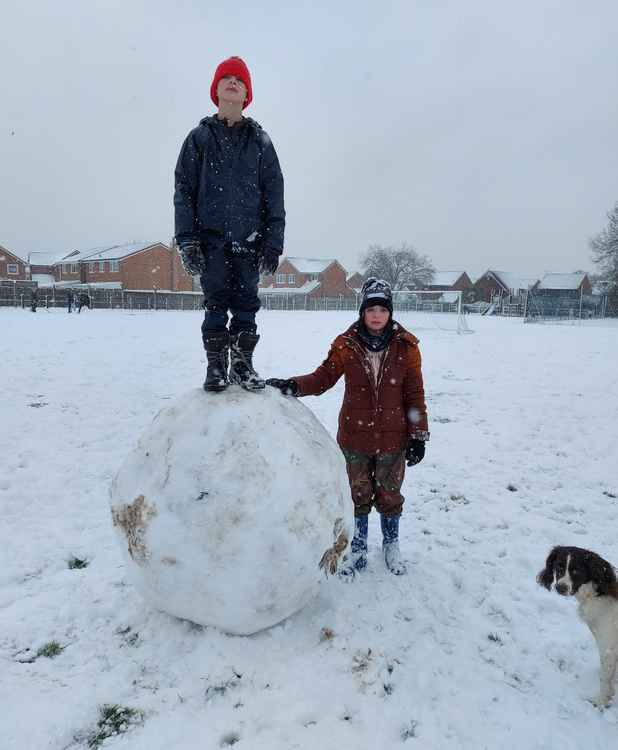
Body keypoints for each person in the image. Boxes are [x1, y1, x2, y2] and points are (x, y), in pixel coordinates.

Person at [266, 278, 429, 577]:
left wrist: (418, 435)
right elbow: (323, 378)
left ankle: (391, 545)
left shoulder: (407, 347)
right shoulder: (346, 345)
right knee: (357, 495)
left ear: (390, 312)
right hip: (355, 437)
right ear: (362, 312)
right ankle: (358, 548)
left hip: (394, 438)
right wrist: (293, 386)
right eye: (371, 309)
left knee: (390, 495)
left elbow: (414, 394)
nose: (377, 315)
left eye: (382, 309)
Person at [174, 56, 285, 392]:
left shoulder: (261, 142)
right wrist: (187, 241)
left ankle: (242, 364)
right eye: (227, 78)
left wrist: (272, 243)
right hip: (211, 242)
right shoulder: (199, 139)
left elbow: (274, 195)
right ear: (216, 89)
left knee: (247, 304)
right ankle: (216, 367)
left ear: (247, 92)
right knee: (215, 303)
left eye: (240, 79)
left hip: (249, 242)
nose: (233, 82)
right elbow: (184, 192)